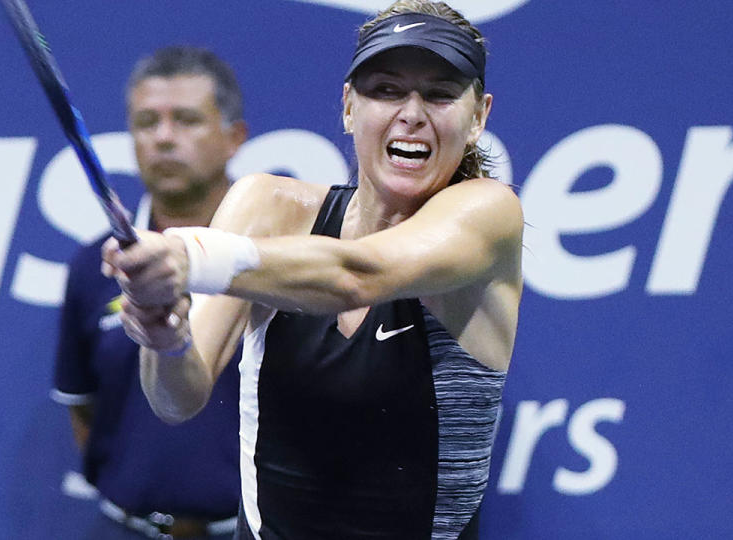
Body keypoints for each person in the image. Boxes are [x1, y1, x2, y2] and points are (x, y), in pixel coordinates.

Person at [104, 2, 523, 537]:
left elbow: (356, 276)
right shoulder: (265, 206)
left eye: (440, 93)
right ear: (349, 107)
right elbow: (175, 399)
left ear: (478, 117)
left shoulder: (489, 213)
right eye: (386, 89)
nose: (412, 113)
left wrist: (191, 256)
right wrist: (164, 336)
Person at [51, 46, 248, 540]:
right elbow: (85, 409)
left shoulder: (273, 261)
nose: (163, 138)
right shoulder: (94, 267)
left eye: (186, 120)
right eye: (146, 122)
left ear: (234, 137)